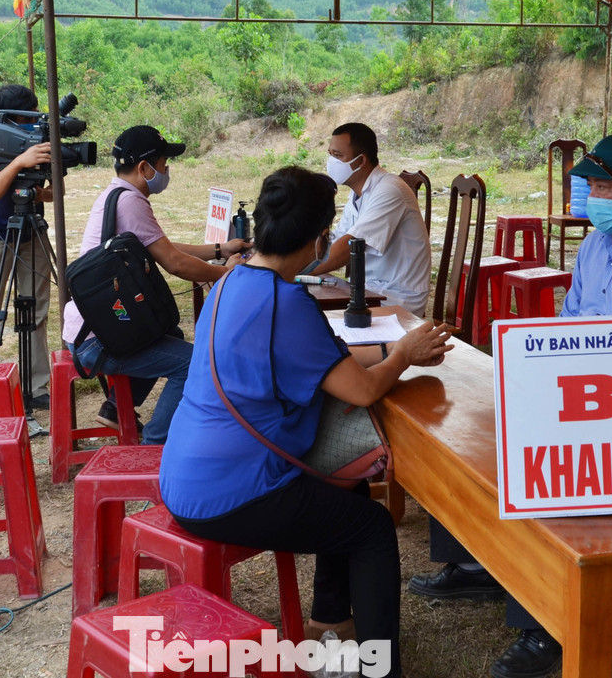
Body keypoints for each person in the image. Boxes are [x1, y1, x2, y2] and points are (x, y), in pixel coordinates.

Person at [406, 131, 612, 678]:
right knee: (466, 422)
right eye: (590, 184)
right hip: (580, 390)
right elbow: (570, 320)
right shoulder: (597, 244)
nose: (592, 196)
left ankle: (542, 625)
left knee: (545, 464)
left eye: (603, 185)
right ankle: (478, 559)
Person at [160, 166, 453, 678]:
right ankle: (380, 670)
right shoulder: (286, 301)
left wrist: (391, 350)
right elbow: (361, 390)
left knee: (352, 494)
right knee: (373, 529)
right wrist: (402, 354)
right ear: (321, 236)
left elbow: (325, 362)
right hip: (233, 492)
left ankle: (328, 622)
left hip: (185, 476)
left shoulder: (236, 279)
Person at [61, 125, 249, 445]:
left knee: (170, 333)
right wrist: (227, 273)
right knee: (192, 363)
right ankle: (156, 444)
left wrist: (221, 250)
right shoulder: (130, 202)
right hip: (96, 340)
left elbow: (162, 246)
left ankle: (115, 408)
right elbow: (174, 262)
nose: (166, 171)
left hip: (90, 327)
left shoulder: (115, 194)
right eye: (163, 164)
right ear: (144, 168)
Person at [0, 84, 54, 408]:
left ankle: (37, 387)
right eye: (23, 119)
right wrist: (18, 162)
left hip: (32, 231)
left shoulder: (39, 139)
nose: (28, 126)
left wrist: (39, 188)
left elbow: (54, 193)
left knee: (36, 310)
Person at [314, 122, 431, 315]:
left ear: (360, 161)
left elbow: (346, 249)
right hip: (367, 291)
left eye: (338, 156)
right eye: (330, 154)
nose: (331, 162)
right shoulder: (358, 194)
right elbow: (334, 241)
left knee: (312, 317)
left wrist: (292, 270)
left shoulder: (389, 190)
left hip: (395, 298)